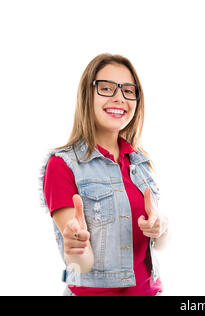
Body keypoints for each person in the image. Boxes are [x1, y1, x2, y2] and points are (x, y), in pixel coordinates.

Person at [38, 53, 169, 296]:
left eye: (129, 90)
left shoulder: (140, 161)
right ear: (87, 95)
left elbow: (161, 245)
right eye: (107, 88)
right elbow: (81, 264)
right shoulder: (63, 165)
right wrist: (76, 247)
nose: (119, 97)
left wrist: (161, 227)